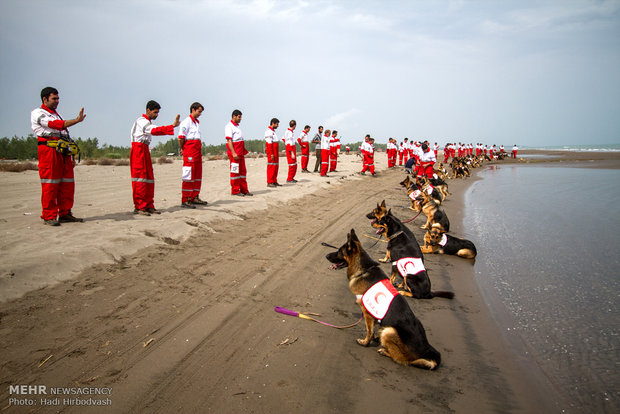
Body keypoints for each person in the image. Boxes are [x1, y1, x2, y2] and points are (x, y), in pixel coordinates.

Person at [31, 86, 86, 226]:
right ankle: (48, 215)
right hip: (49, 151)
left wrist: (71, 155)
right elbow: (55, 125)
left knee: (67, 184)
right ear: (45, 99)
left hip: (63, 152)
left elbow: (64, 133)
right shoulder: (38, 113)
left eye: (58, 98)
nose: (57, 101)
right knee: (50, 183)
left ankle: (65, 213)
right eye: (54, 98)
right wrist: (76, 120)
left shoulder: (55, 113)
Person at [130, 100, 180, 215]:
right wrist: (171, 126)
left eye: (158, 113)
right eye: (155, 112)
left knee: (149, 178)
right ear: (148, 110)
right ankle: (139, 206)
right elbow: (155, 130)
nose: (156, 115)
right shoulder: (142, 122)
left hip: (145, 150)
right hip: (138, 150)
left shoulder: (147, 122)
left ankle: (148, 205)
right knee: (140, 179)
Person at [178, 102, 206, 209]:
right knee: (188, 174)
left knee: (197, 174)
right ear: (193, 110)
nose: (200, 114)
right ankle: (186, 199)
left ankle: (195, 196)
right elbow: (181, 138)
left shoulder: (196, 123)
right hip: (189, 150)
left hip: (197, 151)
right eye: (199, 112)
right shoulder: (186, 122)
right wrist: (183, 148)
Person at [225, 109, 252, 196]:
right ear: (234, 116)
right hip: (235, 154)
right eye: (239, 117)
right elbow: (229, 141)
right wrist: (233, 153)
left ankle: (244, 190)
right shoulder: (229, 126)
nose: (240, 119)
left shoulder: (237, 127)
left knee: (243, 172)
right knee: (235, 172)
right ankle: (235, 190)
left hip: (240, 154)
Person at [265, 118, 280, 187]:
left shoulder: (273, 131)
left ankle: (274, 181)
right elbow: (269, 143)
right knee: (271, 166)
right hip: (272, 151)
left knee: (275, 166)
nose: (278, 126)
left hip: (275, 151)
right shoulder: (268, 131)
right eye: (277, 124)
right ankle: (270, 182)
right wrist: (271, 153)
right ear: (273, 123)